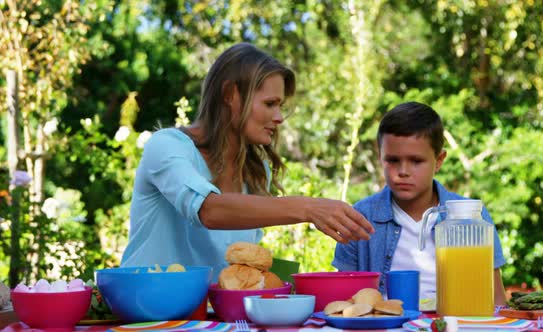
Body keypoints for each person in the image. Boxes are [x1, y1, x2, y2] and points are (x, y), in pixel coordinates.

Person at [120, 43, 374, 281]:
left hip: (212, 320)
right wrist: (307, 208)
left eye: (280, 105)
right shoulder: (166, 146)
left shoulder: (255, 171)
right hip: (144, 311)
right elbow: (209, 210)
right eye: (270, 104)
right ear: (231, 95)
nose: (279, 117)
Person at [332, 101, 507, 306]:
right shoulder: (359, 217)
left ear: (439, 160)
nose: (403, 171)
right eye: (393, 160)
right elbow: (345, 304)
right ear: (380, 157)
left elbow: (497, 301)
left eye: (416, 161)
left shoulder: (471, 216)